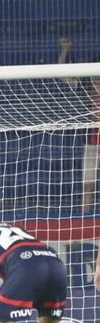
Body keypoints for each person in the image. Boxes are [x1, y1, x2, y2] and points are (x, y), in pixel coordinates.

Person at [58, 37, 100, 213]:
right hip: (93, 143)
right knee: (87, 184)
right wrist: (65, 50)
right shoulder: (85, 87)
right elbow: (61, 74)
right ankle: (85, 218)